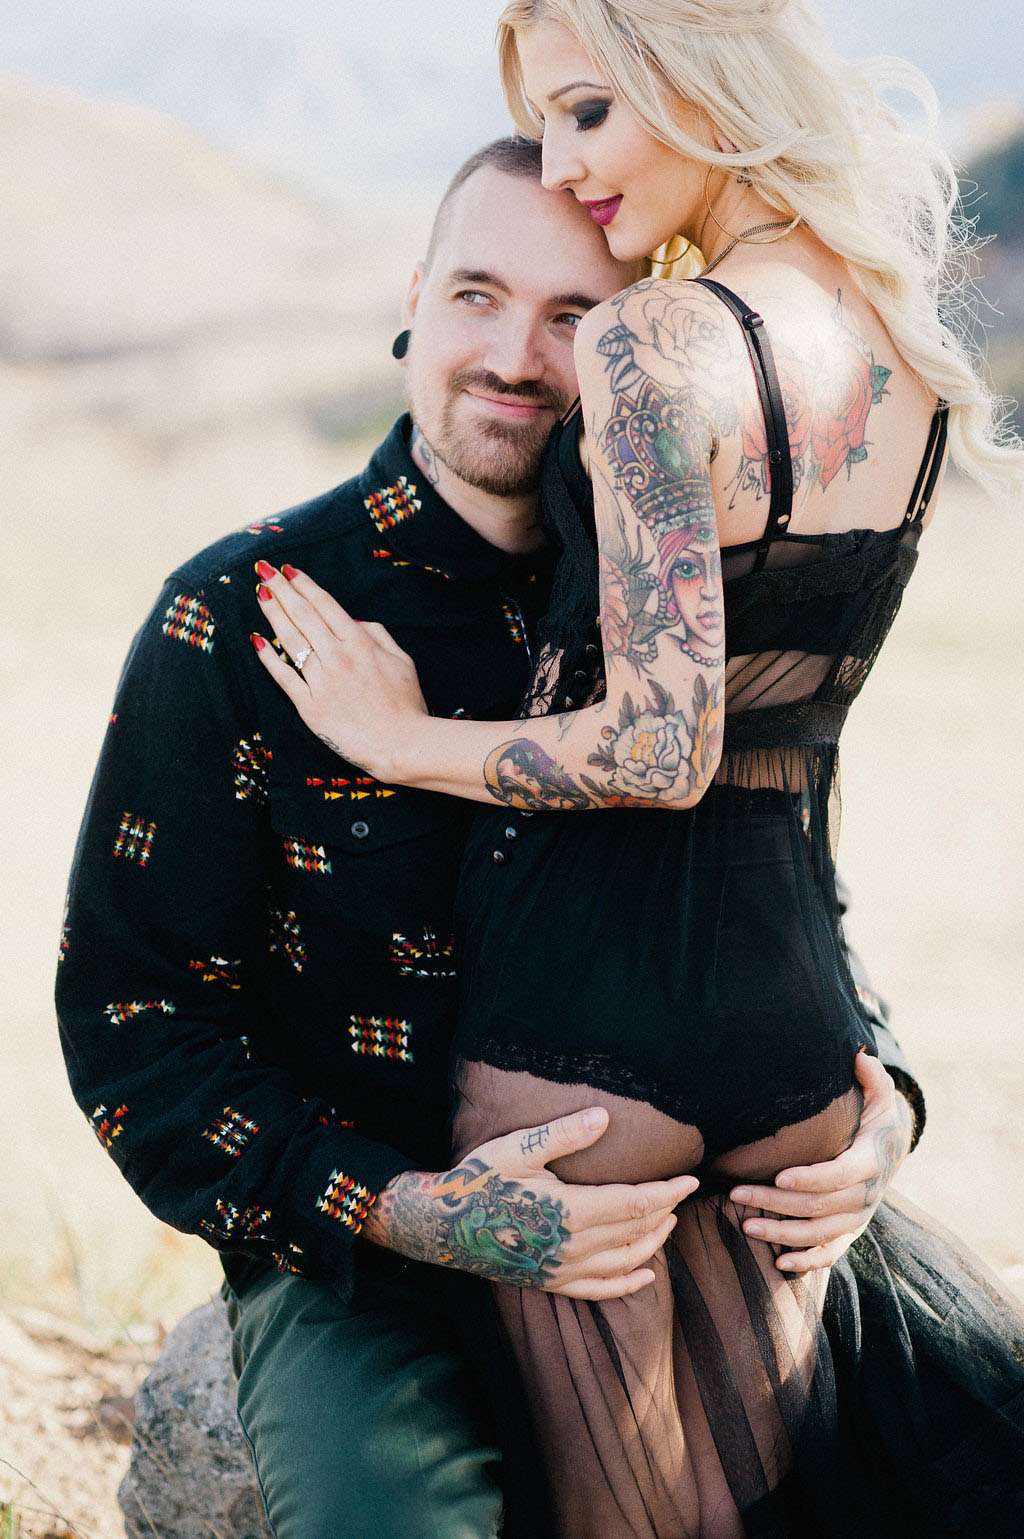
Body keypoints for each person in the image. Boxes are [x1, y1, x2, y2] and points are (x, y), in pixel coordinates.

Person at [250, 4, 1024, 1536]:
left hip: (587, 1016)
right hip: (794, 1021)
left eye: (590, 109)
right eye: (547, 121)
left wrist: (400, 741)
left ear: (702, 76)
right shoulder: (898, 343)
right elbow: (784, 739)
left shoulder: (657, 340)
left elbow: (661, 746)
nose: (563, 164)